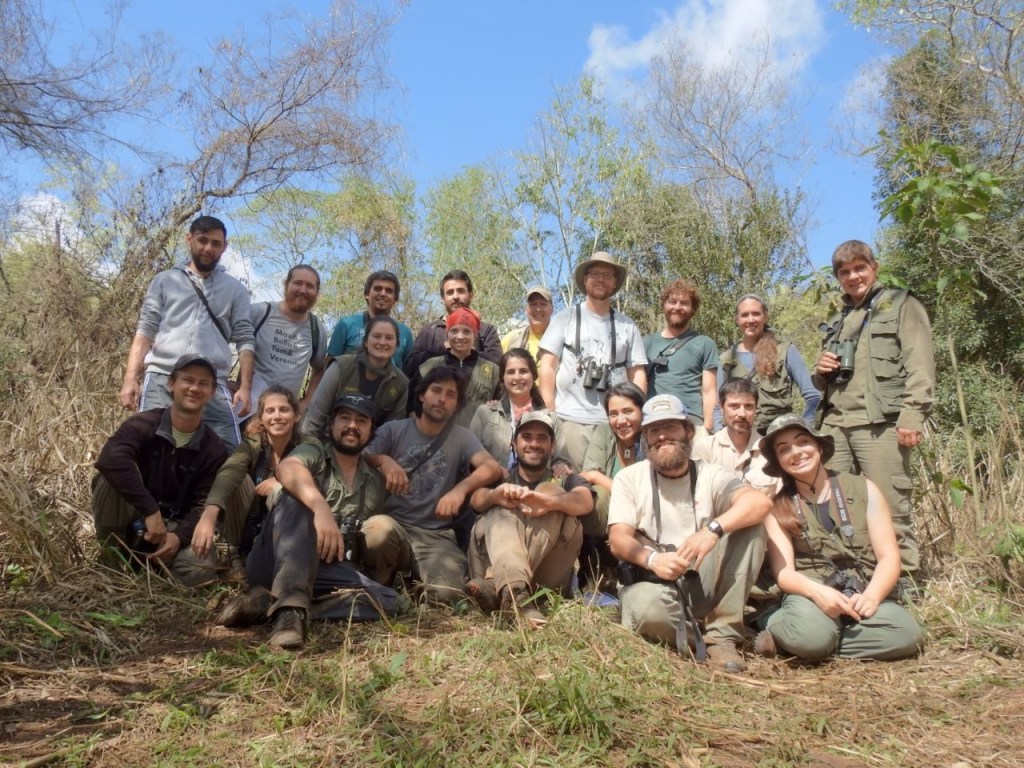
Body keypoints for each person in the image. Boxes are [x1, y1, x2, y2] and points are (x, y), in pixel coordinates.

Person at [218, 394, 401, 649]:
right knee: (297, 501)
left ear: (371, 431)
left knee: (391, 601)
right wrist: (319, 506)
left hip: (327, 569)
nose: (352, 425)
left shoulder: (374, 480)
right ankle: (289, 615)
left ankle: (269, 605)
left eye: (361, 421)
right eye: (344, 418)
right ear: (331, 425)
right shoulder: (314, 451)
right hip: (276, 560)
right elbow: (287, 469)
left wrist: (384, 460)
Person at [608, 394, 772, 673]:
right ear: (644, 438)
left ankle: (722, 635)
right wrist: (651, 560)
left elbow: (759, 503)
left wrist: (712, 530)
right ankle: (696, 634)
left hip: (699, 574)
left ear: (688, 431)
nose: (662, 437)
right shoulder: (630, 478)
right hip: (652, 581)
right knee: (648, 611)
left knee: (751, 525)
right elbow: (618, 539)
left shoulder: (711, 474)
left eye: (670, 427)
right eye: (654, 430)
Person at [752, 415, 924, 661]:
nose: (796, 452)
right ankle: (776, 622)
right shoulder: (777, 507)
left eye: (803, 442)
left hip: (861, 593)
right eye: (784, 449)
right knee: (810, 637)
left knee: (907, 635)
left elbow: (889, 557)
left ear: (819, 447)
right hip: (811, 595)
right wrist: (817, 593)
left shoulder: (864, 488)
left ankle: (811, 644)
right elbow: (784, 573)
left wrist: (872, 597)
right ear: (779, 462)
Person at [813, 240, 935, 580]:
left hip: (878, 425)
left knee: (891, 509)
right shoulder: (838, 319)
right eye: (844, 272)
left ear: (874, 267)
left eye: (859, 268)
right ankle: (854, 581)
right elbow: (823, 383)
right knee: (836, 509)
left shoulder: (901, 305)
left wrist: (913, 415)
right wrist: (820, 370)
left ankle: (905, 587)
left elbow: (920, 365)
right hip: (835, 426)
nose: (853, 277)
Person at [362, 365, 503, 604]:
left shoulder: (461, 436)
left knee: (448, 596)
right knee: (377, 531)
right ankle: (381, 581)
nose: (442, 399)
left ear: (457, 404)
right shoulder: (395, 429)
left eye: (451, 395)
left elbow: (491, 467)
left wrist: (461, 490)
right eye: (436, 390)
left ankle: (415, 583)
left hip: (434, 535)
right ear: (421, 395)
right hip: (393, 527)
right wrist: (384, 461)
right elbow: (361, 455)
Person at [94, 355, 229, 587]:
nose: (194, 388)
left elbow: (202, 504)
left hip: (174, 527)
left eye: (203, 383)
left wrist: (179, 537)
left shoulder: (214, 448)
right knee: (108, 479)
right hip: (134, 519)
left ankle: (154, 565)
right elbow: (110, 459)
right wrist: (150, 510)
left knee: (200, 570)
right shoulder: (143, 424)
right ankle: (112, 557)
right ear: (171, 384)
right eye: (188, 380)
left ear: (212, 392)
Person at [119, 215, 254, 447]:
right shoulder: (164, 280)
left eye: (215, 243)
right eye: (202, 240)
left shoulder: (236, 290)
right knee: (148, 447)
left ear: (224, 247)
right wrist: (130, 378)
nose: (208, 248)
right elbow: (146, 330)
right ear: (189, 239)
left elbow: (245, 339)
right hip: (162, 377)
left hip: (212, 383)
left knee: (229, 454)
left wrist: (245, 388)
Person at [466, 411, 594, 627]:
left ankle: (500, 585)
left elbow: (585, 502)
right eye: (527, 437)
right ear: (513, 444)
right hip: (492, 559)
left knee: (550, 492)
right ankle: (516, 594)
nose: (534, 444)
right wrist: (495, 496)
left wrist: (548, 502)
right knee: (503, 500)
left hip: (546, 577)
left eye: (542, 438)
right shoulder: (502, 476)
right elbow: (476, 500)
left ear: (552, 447)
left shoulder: (566, 478)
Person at [538, 251, 647, 471]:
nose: (601, 279)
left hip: (613, 424)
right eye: (595, 274)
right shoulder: (564, 318)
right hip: (570, 420)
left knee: (612, 485)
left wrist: (634, 414)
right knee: (570, 483)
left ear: (615, 282)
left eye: (607, 275)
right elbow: (547, 367)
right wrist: (551, 413)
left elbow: (638, 373)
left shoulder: (628, 326)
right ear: (585, 279)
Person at [195, 385, 307, 564]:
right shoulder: (252, 445)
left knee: (286, 491)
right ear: (261, 418)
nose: (277, 416)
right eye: (270, 411)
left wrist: (281, 482)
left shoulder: (306, 447)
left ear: (296, 415)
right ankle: (230, 552)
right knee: (239, 479)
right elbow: (229, 472)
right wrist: (209, 514)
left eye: (284, 410)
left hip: (283, 529)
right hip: (245, 521)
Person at [716, 294, 819, 433]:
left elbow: (813, 396)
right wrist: (720, 437)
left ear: (765, 316)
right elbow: (717, 407)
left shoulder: (785, 351)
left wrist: (803, 431)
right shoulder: (726, 359)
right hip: (741, 438)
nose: (750, 319)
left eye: (756, 314)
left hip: (778, 439)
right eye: (745, 315)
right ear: (737, 319)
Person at [578, 382, 646, 589]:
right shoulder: (604, 432)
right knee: (595, 496)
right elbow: (588, 474)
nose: (621, 420)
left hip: (643, 513)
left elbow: (648, 493)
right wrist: (597, 478)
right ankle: (594, 572)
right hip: (610, 516)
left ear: (642, 412)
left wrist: (599, 478)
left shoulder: (652, 436)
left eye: (628, 412)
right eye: (613, 414)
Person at [302, 315, 409, 438]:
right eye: (376, 336)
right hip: (326, 443)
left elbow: (391, 433)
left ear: (396, 345)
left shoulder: (401, 383)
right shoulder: (340, 367)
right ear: (365, 342)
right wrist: (311, 450)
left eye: (389, 338)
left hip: (368, 451)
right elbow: (313, 420)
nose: (382, 342)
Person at [247, 265, 329, 414]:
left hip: (283, 418)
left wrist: (306, 402)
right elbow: (225, 337)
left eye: (310, 286)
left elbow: (320, 368)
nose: (303, 290)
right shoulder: (260, 312)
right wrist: (224, 382)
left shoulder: (317, 329)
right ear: (286, 285)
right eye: (298, 283)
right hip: (247, 409)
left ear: (317, 292)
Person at [644, 279, 719, 434]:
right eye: (672, 302)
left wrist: (708, 429)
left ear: (693, 309)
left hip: (690, 421)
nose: (677, 307)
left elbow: (709, 390)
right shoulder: (647, 343)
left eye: (684, 303)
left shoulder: (705, 343)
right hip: (654, 419)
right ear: (664, 305)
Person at [411, 308, 499, 427]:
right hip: (436, 439)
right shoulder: (428, 367)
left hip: (477, 442)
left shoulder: (492, 371)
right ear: (447, 334)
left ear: (475, 335)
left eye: (467, 331)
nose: (460, 336)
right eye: (454, 331)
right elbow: (413, 408)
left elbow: (502, 408)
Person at [405, 269, 502, 374]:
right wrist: (442, 349)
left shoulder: (486, 330)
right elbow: (409, 366)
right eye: (450, 292)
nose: (455, 296)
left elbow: (498, 362)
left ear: (471, 296)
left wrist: (469, 352)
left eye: (460, 291)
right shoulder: (429, 331)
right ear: (442, 299)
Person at [469, 348, 547, 471]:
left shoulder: (549, 418)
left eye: (523, 371)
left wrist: (560, 464)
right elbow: (470, 452)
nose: (517, 377)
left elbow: (560, 458)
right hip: (494, 485)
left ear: (534, 375)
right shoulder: (485, 413)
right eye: (511, 372)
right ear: (502, 379)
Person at [694, 378, 775, 493]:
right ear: (721, 408)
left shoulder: (770, 451)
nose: (742, 414)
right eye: (734, 406)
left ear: (756, 409)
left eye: (748, 406)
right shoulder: (705, 449)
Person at [326, 270, 415, 369]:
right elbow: (329, 366)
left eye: (389, 291)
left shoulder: (405, 333)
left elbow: (408, 374)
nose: (383, 294)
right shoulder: (347, 324)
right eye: (378, 289)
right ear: (367, 294)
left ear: (395, 299)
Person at [500, 285, 554, 363]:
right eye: (533, 304)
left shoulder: (563, 340)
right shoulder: (510, 339)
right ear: (526, 309)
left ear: (552, 309)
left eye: (543, 304)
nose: (538, 309)